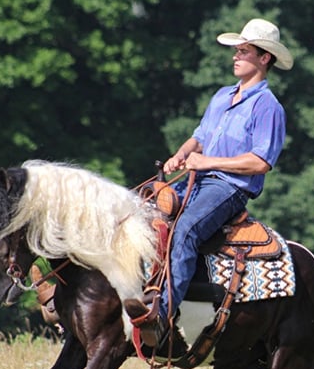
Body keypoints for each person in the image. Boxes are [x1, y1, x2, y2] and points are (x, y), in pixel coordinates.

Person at [125, 18, 294, 347]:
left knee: (185, 229)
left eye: (244, 51)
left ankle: (162, 314)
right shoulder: (221, 96)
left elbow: (261, 162)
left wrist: (207, 162)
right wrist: (180, 155)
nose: (236, 56)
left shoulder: (268, 107)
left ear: (265, 58)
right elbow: (200, 138)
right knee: (141, 211)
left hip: (229, 188)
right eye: (236, 50)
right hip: (196, 177)